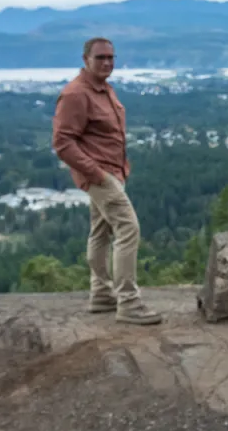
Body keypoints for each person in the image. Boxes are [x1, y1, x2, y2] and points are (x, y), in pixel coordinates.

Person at [52, 37, 161, 325]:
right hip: (99, 174)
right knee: (128, 228)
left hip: (112, 170)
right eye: (101, 57)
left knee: (100, 231)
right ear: (85, 59)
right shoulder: (76, 94)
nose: (107, 62)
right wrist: (97, 173)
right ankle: (128, 302)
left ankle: (101, 294)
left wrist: (120, 165)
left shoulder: (103, 89)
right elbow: (63, 142)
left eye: (111, 57)